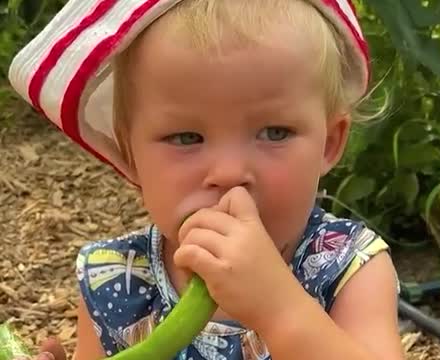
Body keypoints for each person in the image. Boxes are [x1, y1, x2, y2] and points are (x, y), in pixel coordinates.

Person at [8, 0, 404, 359]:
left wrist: (279, 308)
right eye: (186, 138)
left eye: (275, 132)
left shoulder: (347, 269)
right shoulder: (115, 281)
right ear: (130, 157)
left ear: (328, 143)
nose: (230, 173)